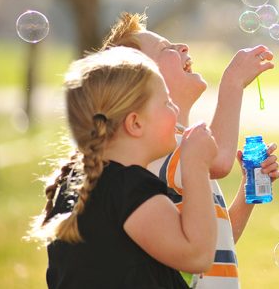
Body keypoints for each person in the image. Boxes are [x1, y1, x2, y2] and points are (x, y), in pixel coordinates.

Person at [100, 12, 279, 289]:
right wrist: (232, 82)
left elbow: (210, 241)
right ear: (142, 84)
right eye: (165, 49)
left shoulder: (183, 147)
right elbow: (220, 160)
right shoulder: (156, 146)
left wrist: (248, 191)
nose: (182, 46)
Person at [30, 46, 218, 288]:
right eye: (167, 102)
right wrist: (196, 164)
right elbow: (197, 255)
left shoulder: (76, 183)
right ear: (135, 123)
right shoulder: (130, 188)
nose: (176, 110)